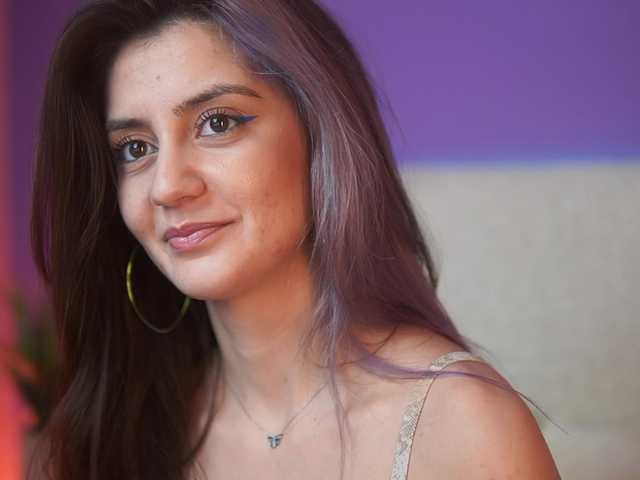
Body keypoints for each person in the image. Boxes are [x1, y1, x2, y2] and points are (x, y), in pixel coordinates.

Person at [29, 0, 560, 479]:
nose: (167, 186)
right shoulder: (106, 438)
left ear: (320, 132)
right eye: (134, 148)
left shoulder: (464, 427)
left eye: (217, 123)